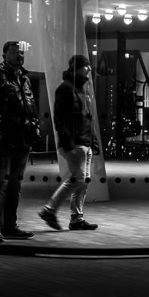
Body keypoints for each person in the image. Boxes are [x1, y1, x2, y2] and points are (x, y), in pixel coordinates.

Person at [0, 40, 39, 243]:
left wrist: (34, 131)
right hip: (3, 137)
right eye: (14, 52)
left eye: (21, 53)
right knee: (0, 184)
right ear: (4, 55)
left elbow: (31, 108)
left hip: (23, 138)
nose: (19, 55)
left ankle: (10, 226)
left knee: (15, 184)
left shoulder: (24, 79)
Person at [39, 54, 100, 231]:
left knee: (83, 181)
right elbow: (59, 118)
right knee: (78, 179)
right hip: (75, 143)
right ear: (78, 68)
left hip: (84, 142)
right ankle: (49, 210)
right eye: (86, 66)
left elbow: (87, 118)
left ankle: (76, 218)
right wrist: (67, 142)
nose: (89, 69)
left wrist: (93, 141)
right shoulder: (66, 89)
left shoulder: (81, 89)